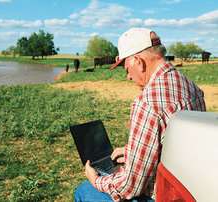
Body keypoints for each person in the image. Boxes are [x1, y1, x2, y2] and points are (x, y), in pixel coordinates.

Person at [74, 28, 206, 202]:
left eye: (127, 69)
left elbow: (130, 186)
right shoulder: (191, 86)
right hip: (190, 189)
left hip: (162, 195)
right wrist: (131, 152)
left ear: (138, 61)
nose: (128, 77)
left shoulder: (147, 103)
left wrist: (96, 180)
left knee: (83, 190)